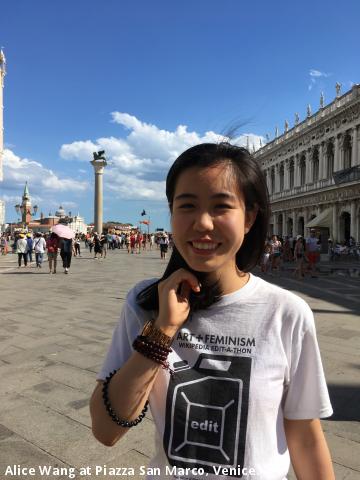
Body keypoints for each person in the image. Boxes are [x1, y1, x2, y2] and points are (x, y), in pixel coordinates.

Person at [90, 143, 334, 480]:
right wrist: (161, 331)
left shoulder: (287, 313)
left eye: (221, 206)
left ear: (249, 217)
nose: (203, 223)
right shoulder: (144, 304)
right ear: (172, 213)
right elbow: (105, 430)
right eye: (187, 205)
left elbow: (305, 436)